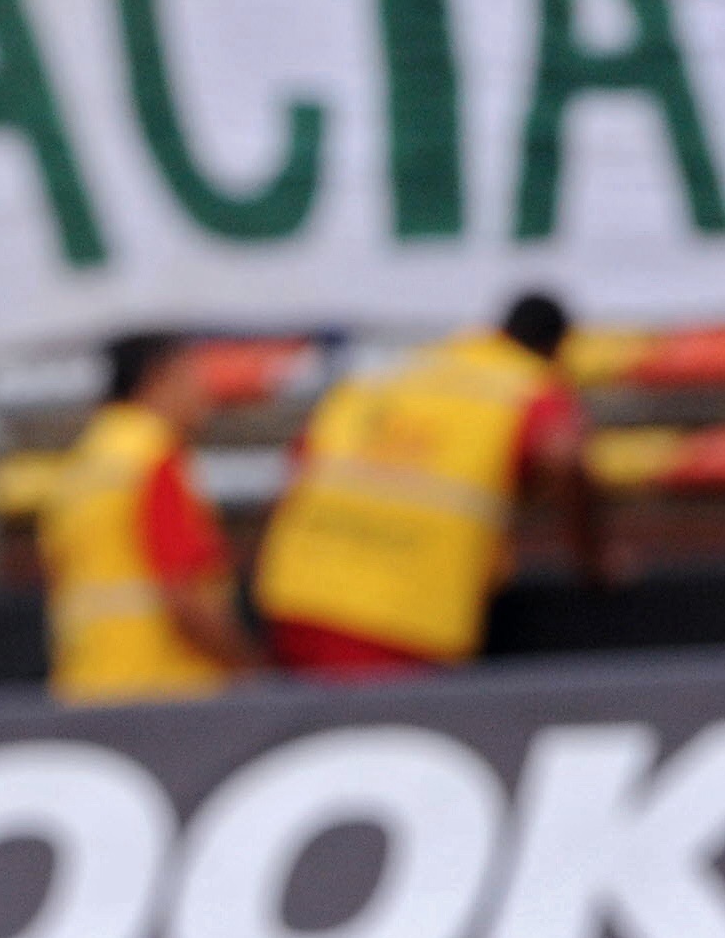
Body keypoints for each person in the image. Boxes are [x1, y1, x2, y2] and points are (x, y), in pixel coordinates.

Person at [253, 293, 610, 681]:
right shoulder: (529, 383)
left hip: (298, 588)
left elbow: (301, 461)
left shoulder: (400, 371)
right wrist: (591, 559)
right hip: (400, 612)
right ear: (555, 348)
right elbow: (564, 456)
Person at [36, 332, 256, 704]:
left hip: (83, 687)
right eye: (192, 378)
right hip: (162, 691)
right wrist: (249, 669)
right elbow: (184, 599)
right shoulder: (153, 459)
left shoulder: (82, 465)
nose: (205, 395)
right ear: (160, 377)